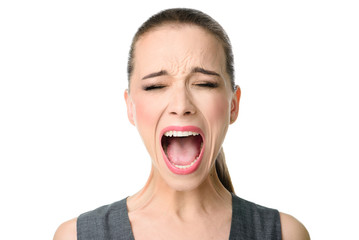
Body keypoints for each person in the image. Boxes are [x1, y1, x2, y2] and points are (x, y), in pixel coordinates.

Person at [54, 8, 310, 240]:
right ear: (130, 107)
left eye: (204, 84)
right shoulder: (76, 236)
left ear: (234, 105)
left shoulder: (286, 234)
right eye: (156, 86)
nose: (181, 104)